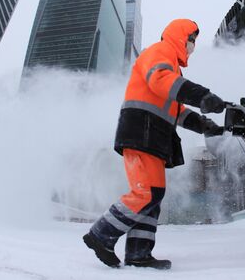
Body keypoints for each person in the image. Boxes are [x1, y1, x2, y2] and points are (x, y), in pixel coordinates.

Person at [83, 19, 225, 270]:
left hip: (152, 135)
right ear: (182, 38)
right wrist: (203, 96)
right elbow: (160, 79)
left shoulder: (172, 67)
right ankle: (101, 234)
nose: (193, 46)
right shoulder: (160, 52)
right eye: (192, 40)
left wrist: (205, 124)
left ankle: (139, 254)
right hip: (141, 131)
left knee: (153, 195)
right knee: (146, 192)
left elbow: (177, 111)